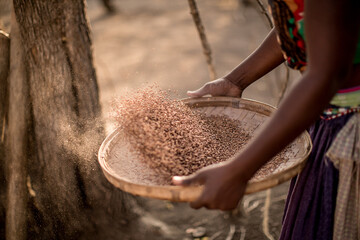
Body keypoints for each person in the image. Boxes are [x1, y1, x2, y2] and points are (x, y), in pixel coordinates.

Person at [172, 0, 360, 239]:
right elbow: (309, 23)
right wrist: (235, 81)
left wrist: (237, 172)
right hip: (327, 115)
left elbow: (327, 75)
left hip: (350, 128)